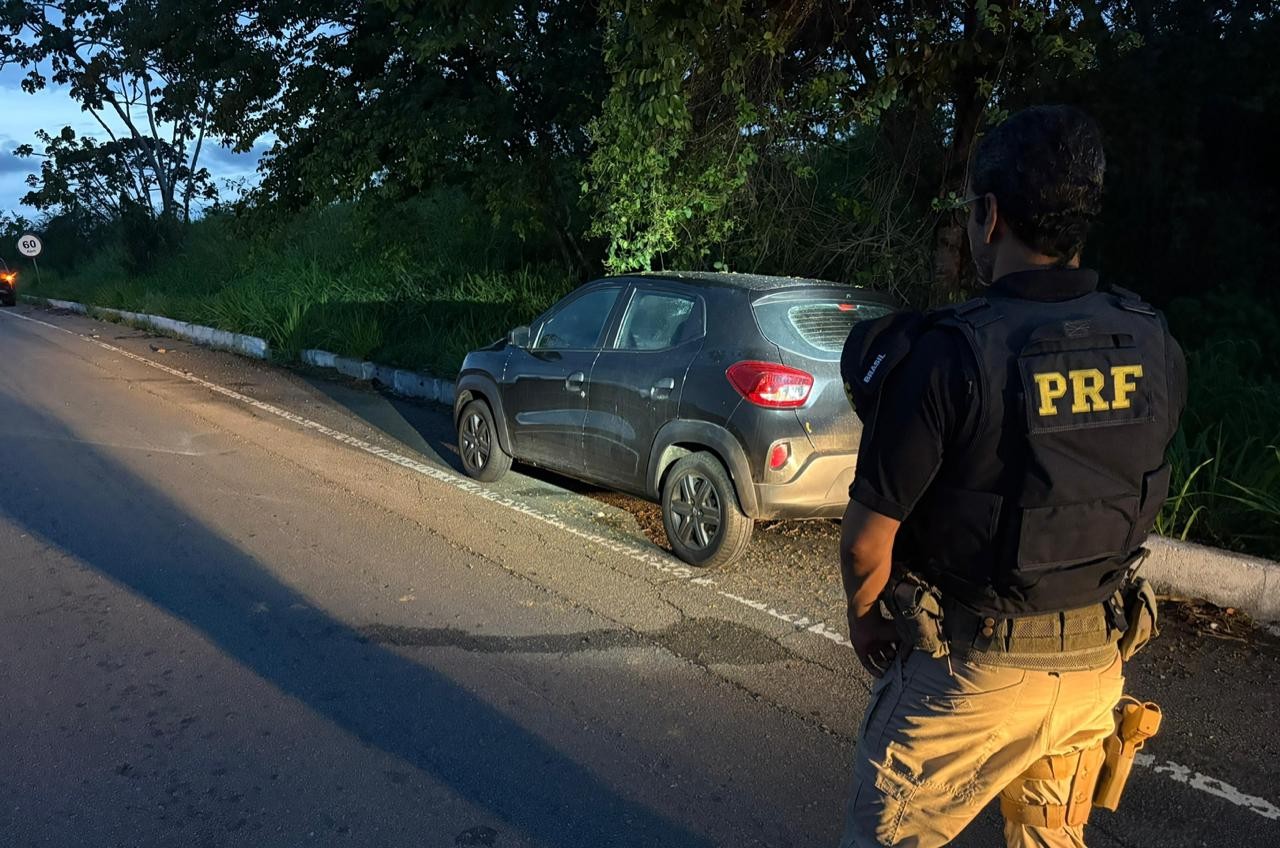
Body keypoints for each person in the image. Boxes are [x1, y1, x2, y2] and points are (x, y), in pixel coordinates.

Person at [837, 105, 1186, 847]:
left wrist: (866, 617)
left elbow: (868, 543)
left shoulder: (950, 353)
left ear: (989, 215)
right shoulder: (1152, 340)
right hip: (1096, 670)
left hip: (973, 676)